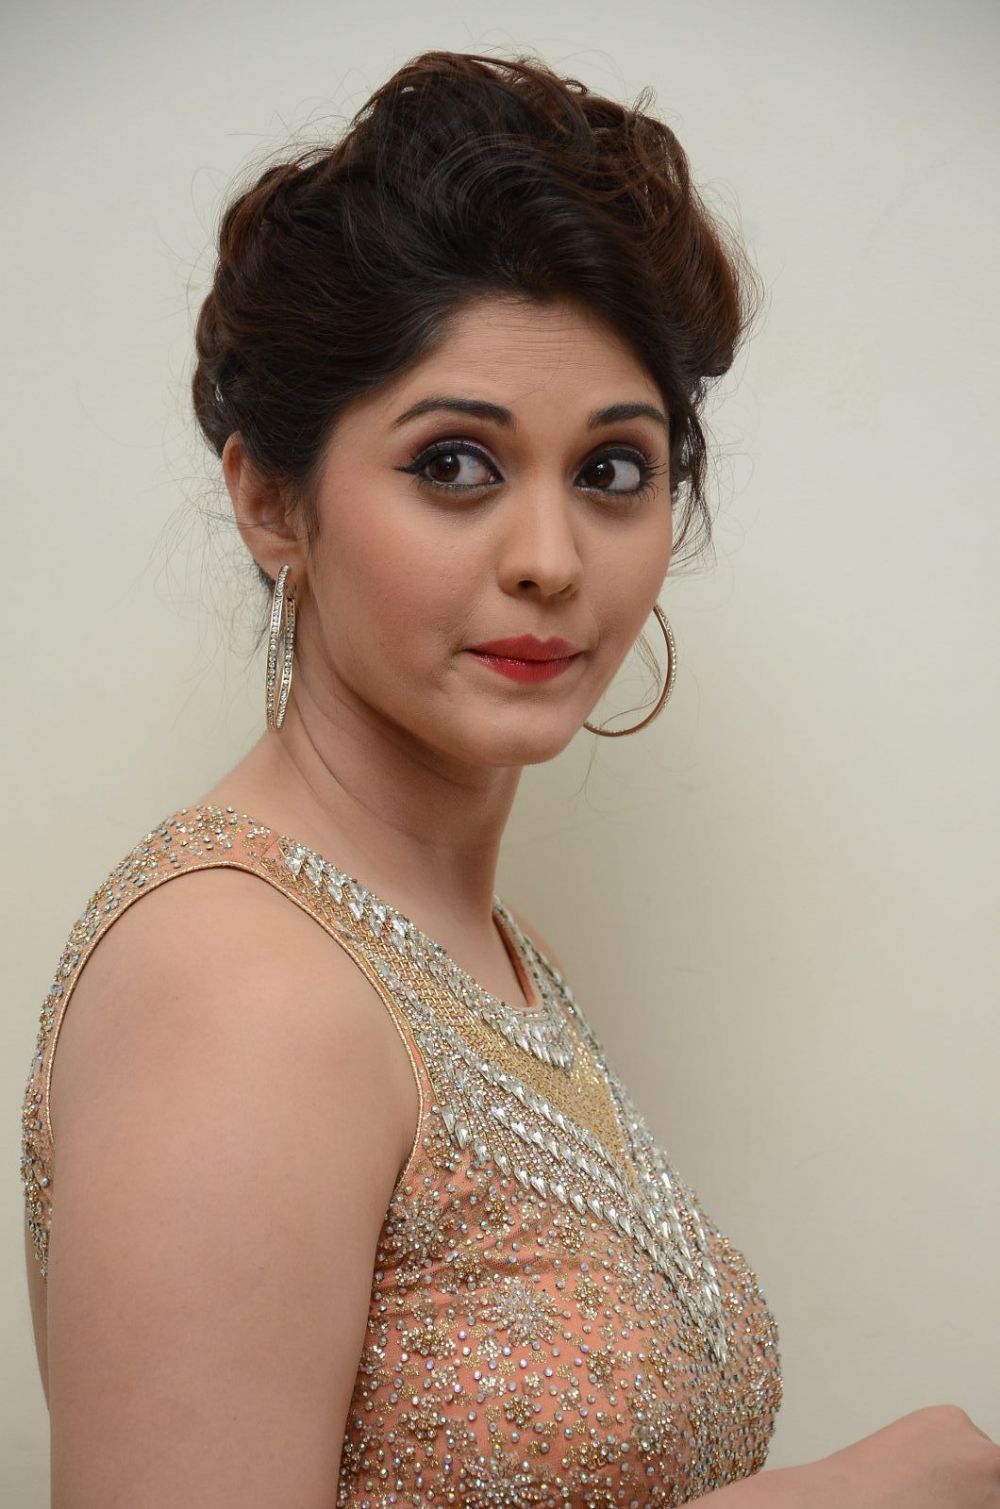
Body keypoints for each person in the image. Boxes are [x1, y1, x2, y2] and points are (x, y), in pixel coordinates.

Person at [19, 48, 999, 1509]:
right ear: (272, 499)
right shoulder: (238, 988)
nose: (549, 558)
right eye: (456, 465)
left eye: (612, 471)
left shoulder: (484, 954)